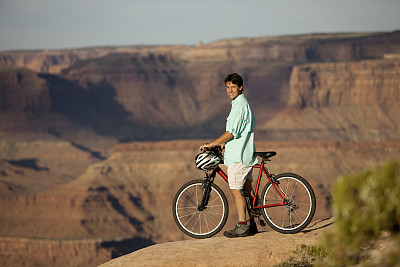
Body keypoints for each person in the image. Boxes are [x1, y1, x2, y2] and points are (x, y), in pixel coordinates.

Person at [200, 73, 258, 238]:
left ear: (240, 87)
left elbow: (232, 132)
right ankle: (253, 223)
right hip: (244, 152)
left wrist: (212, 144)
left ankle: (242, 225)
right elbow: (239, 131)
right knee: (247, 189)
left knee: (236, 190)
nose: (230, 90)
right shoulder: (240, 104)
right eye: (227, 87)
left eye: (233, 87)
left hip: (238, 156)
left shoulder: (240, 105)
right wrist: (225, 143)